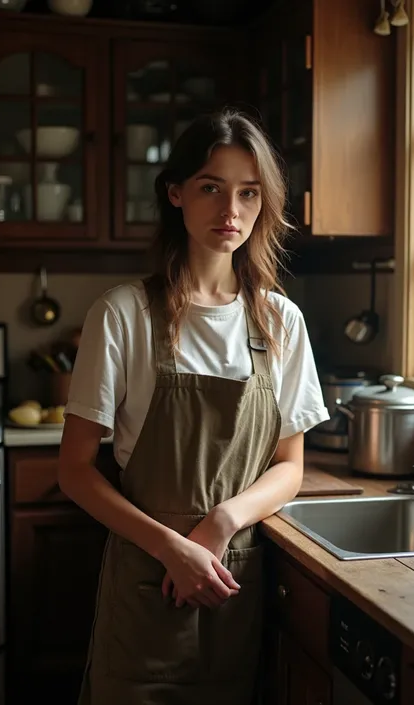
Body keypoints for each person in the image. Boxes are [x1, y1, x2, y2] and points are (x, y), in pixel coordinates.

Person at [58, 107, 329, 705]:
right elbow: (75, 470)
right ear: (176, 193)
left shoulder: (280, 320)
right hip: (147, 578)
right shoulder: (123, 313)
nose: (230, 212)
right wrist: (173, 548)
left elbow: (289, 465)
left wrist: (221, 523)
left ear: (264, 204)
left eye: (248, 193)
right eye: (211, 188)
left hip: (234, 578)